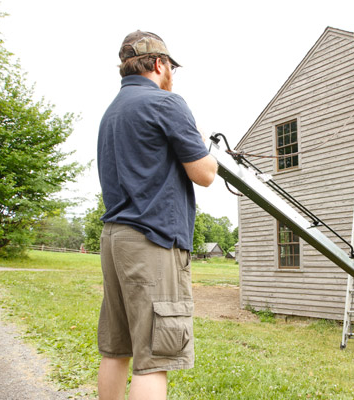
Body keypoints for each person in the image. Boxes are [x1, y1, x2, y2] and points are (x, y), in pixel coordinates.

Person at [96, 30, 218, 400]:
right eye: (170, 69)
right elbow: (205, 173)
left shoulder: (113, 111)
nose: (171, 77)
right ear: (160, 64)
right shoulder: (166, 103)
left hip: (115, 239)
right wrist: (204, 147)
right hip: (152, 241)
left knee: (116, 350)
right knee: (154, 358)